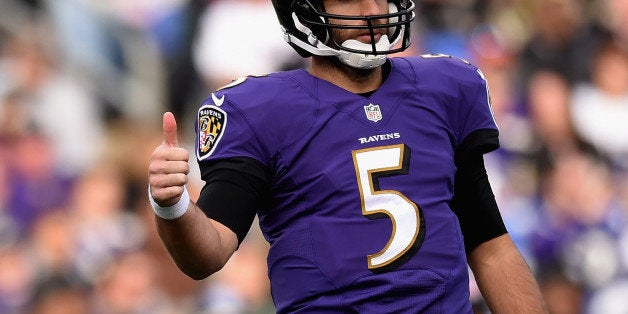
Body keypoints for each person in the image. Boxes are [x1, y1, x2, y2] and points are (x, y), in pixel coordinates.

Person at [148, 0, 547, 312]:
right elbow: (207, 253)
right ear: (303, 10)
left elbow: (490, 246)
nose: (372, 11)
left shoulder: (444, 90)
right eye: (349, 0)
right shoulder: (260, 110)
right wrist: (172, 204)